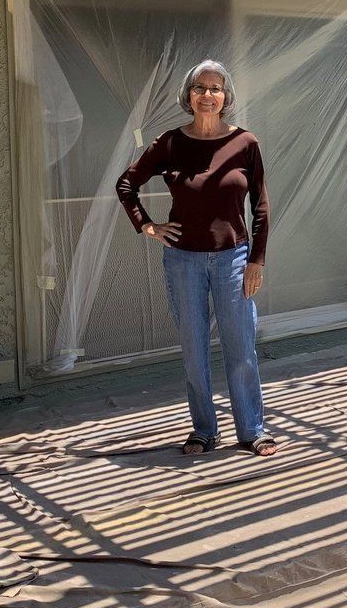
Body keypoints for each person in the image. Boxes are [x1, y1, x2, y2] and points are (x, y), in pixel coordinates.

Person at [116, 60, 275, 456]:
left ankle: (252, 429)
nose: (208, 95)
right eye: (200, 88)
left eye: (216, 89)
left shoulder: (245, 143)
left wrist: (257, 259)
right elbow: (126, 184)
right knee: (194, 349)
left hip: (234, 259)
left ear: (226, 97)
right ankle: (204, 429)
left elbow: (261, 207)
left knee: (241, 348)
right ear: (188, 95)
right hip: (183, 261)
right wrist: (147, 226)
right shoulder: (170, 143)